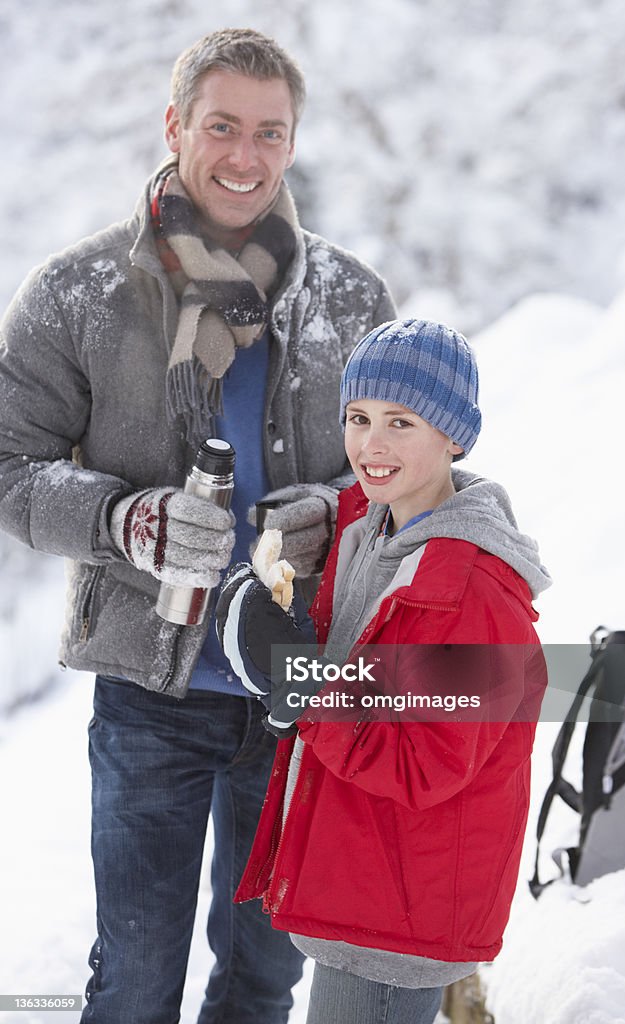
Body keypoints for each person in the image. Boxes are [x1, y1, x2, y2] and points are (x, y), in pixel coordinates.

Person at [0, 28, 395, 1024]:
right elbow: (8, 466)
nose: (243, 154)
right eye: (221, 125)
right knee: (133, 984)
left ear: (293, 142)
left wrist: (333, 508)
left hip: (299, 682)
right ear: (174, 126)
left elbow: (401, 480)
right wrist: (120, 518)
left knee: (264, 976)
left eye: (269, 131)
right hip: (148, 689)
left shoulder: (349, 300)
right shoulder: (77, 294)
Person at [216, 318, 552, 1024]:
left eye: (401, 422)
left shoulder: (469, 590)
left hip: (402, 908)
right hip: (364, 882)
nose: (372, 444)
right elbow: (349, 513)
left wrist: (302, 685)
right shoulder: (375, 529)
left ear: (454, 435)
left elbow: (424, 763)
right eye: (359, 417)